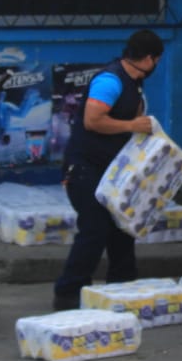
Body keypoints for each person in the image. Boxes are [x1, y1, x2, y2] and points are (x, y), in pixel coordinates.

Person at [52, 29, 164, 310]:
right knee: (94, 228)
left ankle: (122, 287)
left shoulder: (134, 83)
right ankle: (68, 292)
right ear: (150, 59)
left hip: (113, 169)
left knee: (122, 227)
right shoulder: (110, 81)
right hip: (85, 167)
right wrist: (131, 126)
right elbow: (93, 120)